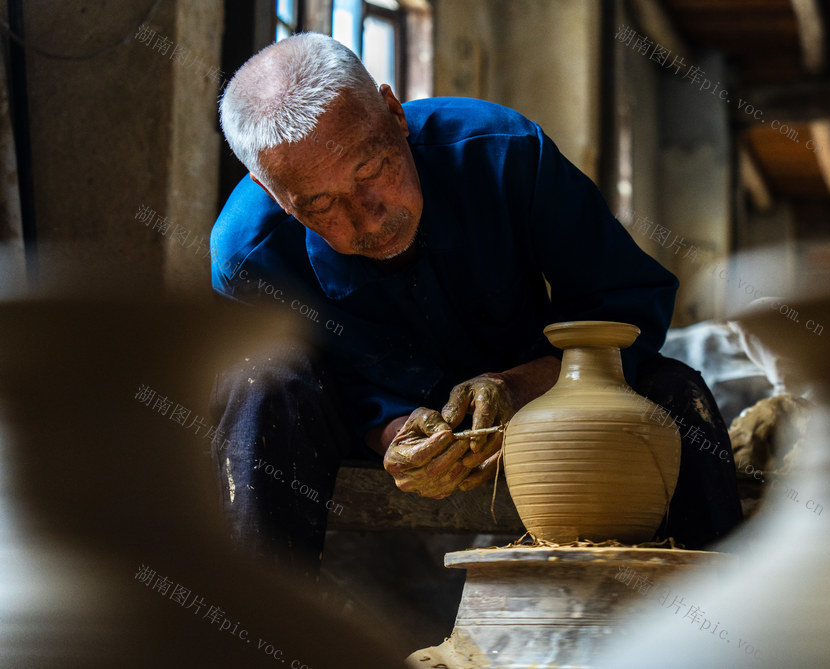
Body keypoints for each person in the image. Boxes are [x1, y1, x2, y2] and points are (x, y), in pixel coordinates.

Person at [210, 32, 741, 581]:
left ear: (395, 113)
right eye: (321, 205)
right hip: (366, 431)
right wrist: (387, 430)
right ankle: (255, 617)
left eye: (371, 170)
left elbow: (628, 302)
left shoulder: (502, 150)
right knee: (256, 386)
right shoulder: (248, 255)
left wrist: (520, 386)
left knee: (674, 392)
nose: (368, 217)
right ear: (271, 192)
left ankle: (715, 615)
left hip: (543, 398)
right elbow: (316, 388)